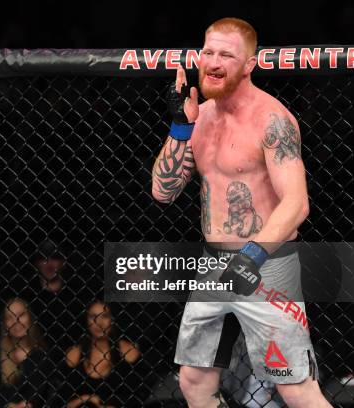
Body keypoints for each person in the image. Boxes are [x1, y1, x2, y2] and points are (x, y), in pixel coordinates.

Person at [151, 17, 332, 407]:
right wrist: (181, 126)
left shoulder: (272, 121)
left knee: (295, 388)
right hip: (213, 263)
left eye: (227, 55)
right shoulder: (200, 116)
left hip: (267, 263)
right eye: (209, 52)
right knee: (194, 381)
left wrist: (253, 255)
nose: (214, 62)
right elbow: (163, 192)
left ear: (249, 65)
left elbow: (297, 204)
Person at [60, 300, 143, 408]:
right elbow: (63, 402)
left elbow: (137, 400)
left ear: (113, 320)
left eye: (104, 316)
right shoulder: (74, 354)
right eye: (93, 316)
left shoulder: (129, 352)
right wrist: (85, 399)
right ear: (86, 320)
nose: (98, 322)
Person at [0, 298, 51, 408]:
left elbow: (38, 396)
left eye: (21, 315)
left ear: (30, 318)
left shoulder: (41, 354)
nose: (16, 321)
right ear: (5, 323)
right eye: (9, 317)